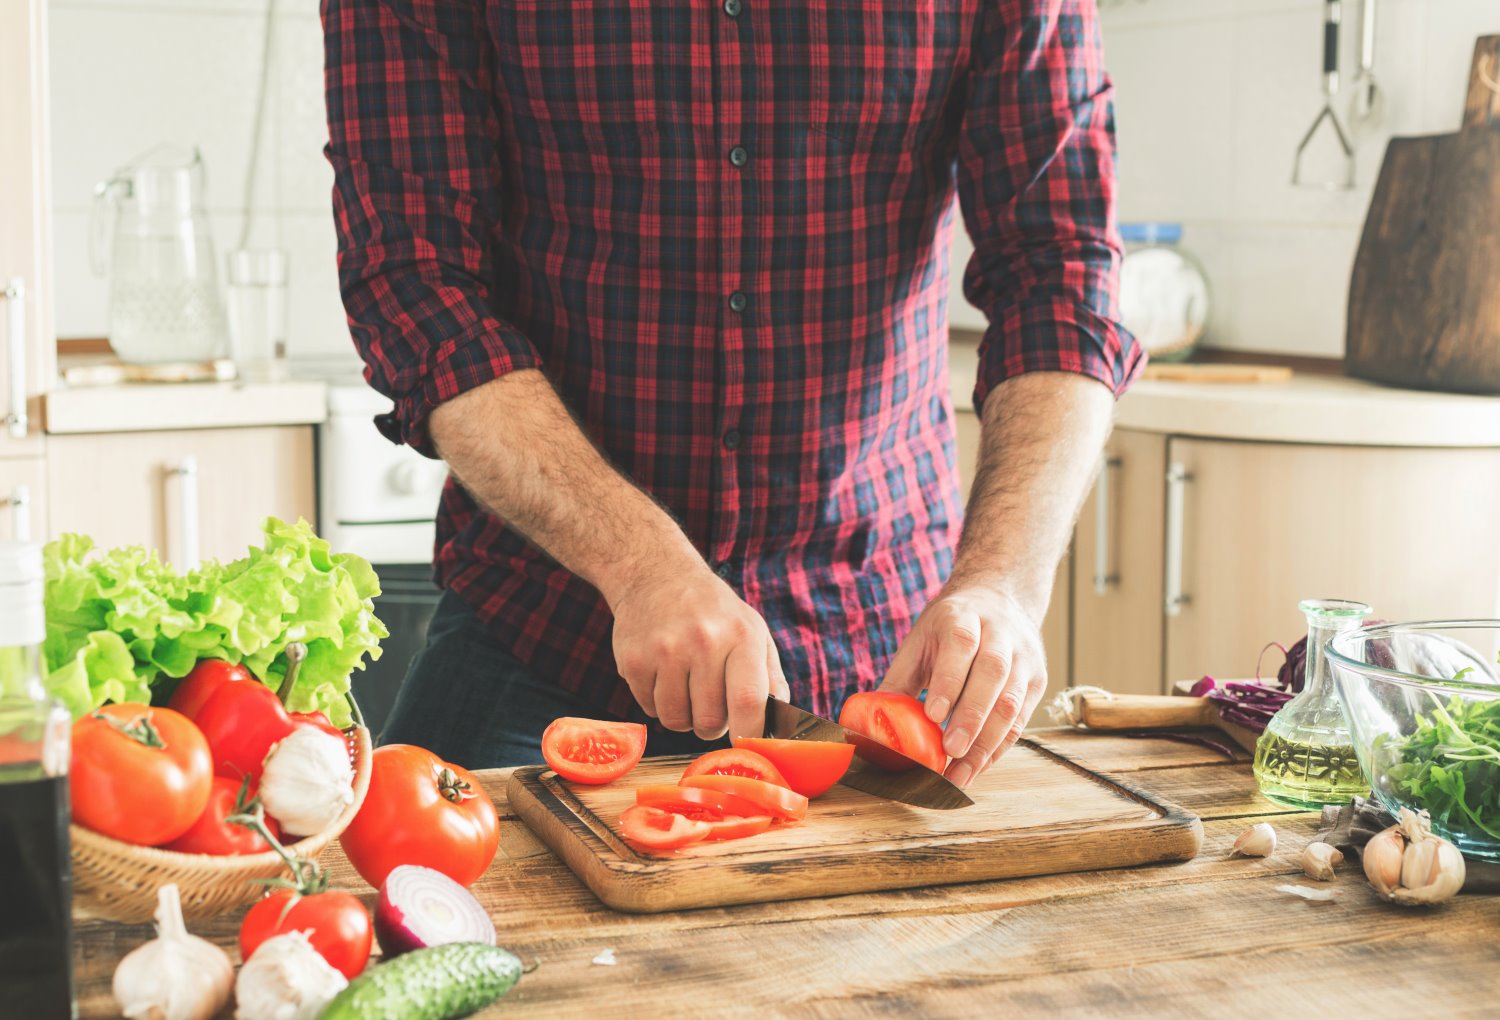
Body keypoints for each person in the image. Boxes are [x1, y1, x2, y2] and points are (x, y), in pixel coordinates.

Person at [322, 0, 1142, 784]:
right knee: (418, 916)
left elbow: (1059, 274)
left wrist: (1002, 583)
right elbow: (416, 282)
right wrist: (639, 564)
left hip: (884, 647)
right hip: (547, 625)